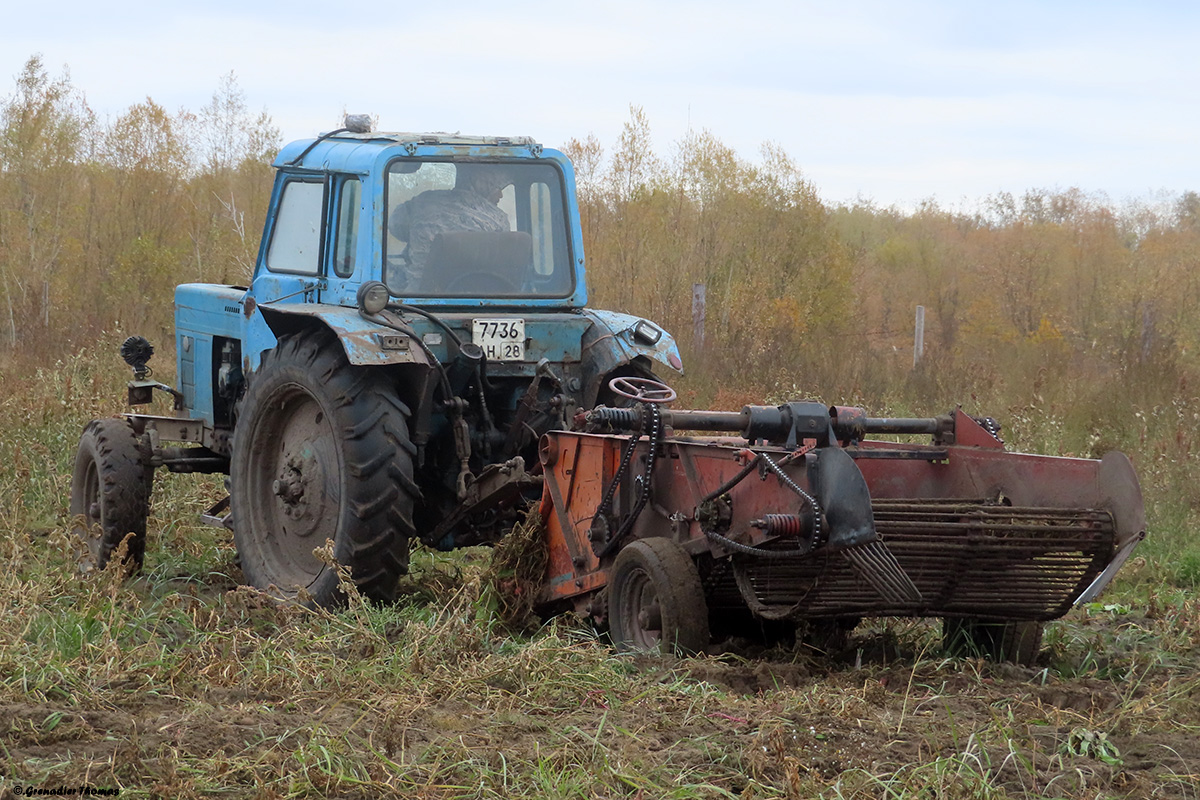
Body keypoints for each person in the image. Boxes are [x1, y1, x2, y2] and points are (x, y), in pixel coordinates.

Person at [389, 165, 511, 292]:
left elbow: (395, 227)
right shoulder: (499, 221)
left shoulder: (423, 202)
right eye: (498, 188)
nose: (501, 195)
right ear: (484, 185)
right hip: (485, 298)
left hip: (418, 297)